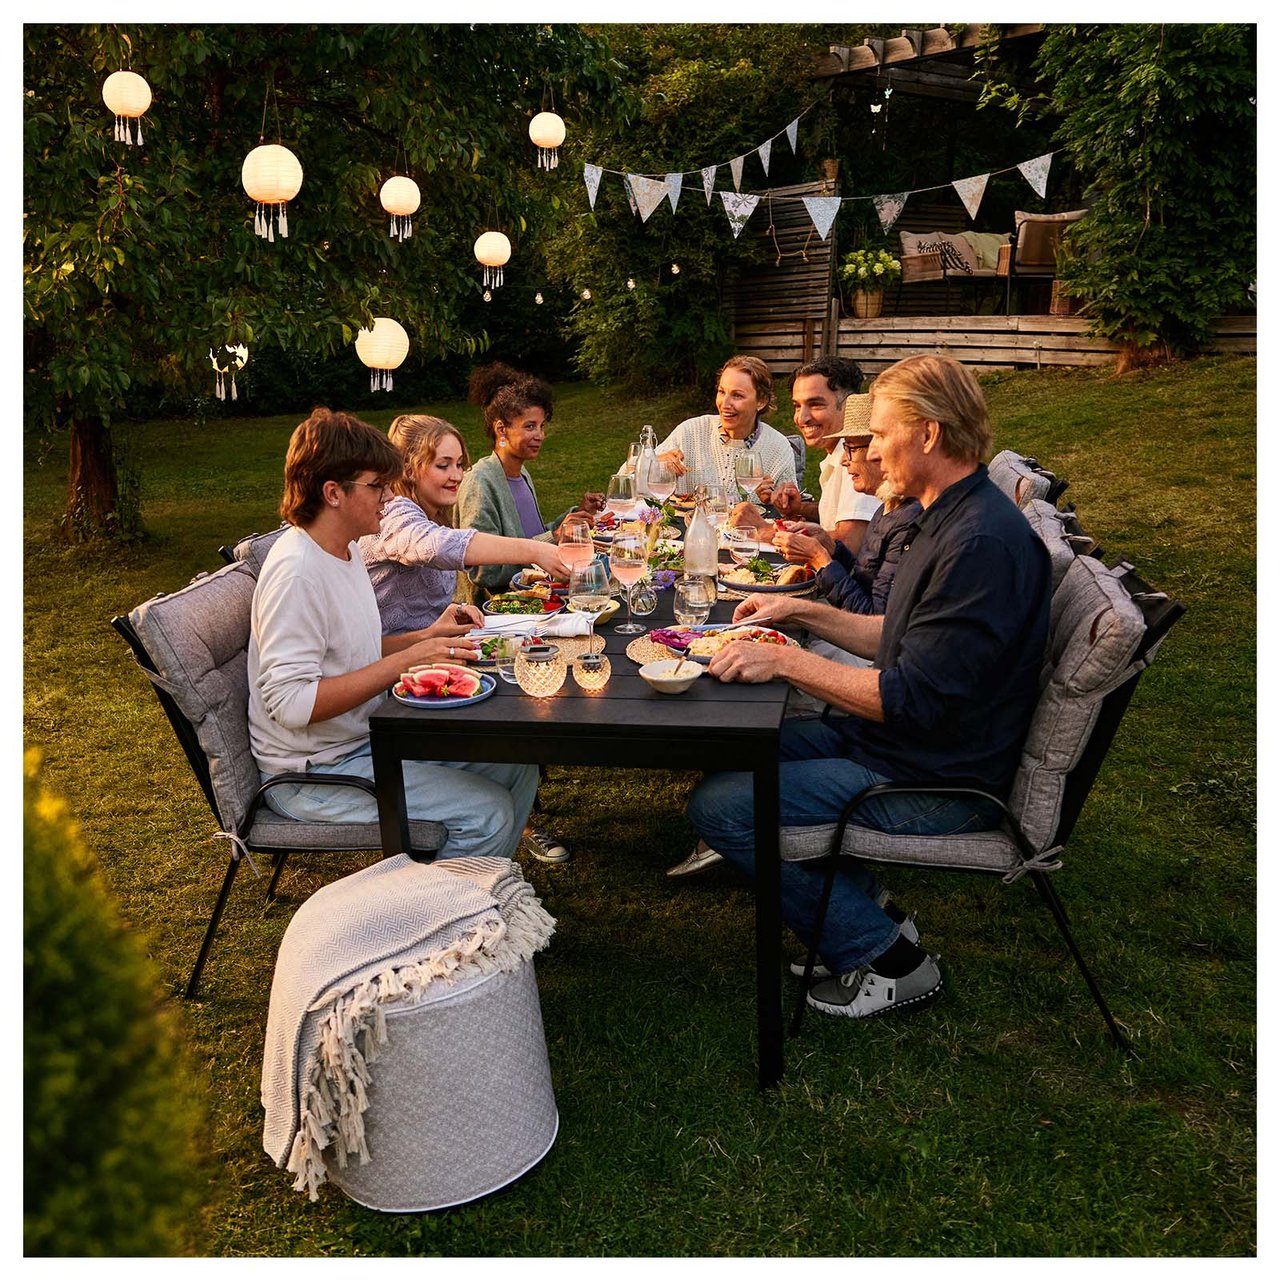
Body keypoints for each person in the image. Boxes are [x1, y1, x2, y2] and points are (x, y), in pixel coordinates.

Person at [683, 355, 1052, 1020]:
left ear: (929, 434)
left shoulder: (979, 544)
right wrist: (798, 612)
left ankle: (885, 957)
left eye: (880, 435)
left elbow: (907, 696)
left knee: (723, 806)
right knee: (738, 745)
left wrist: (786, 664)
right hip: (903, 742)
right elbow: (896, 637)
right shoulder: (943, 515)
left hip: (937, 778)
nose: (871, 450)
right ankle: (867, 909)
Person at [248, 407, 538, 860]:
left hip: (366, 737)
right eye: (378, 486)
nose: (389, 496)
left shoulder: (342, 552)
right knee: (487, 813)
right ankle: (448, 922)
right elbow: (291, 704)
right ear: (334, 493)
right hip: (318, 773)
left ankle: (482, 899)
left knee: (516, 766)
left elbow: (353, 651)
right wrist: (405, 661)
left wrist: (423, 638)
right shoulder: (297, 573)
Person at [358, 413, 575, 864]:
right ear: (410, 467)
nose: (456, 474)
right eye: (443, 465)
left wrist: (444, 618)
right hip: (390, 687)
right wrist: (536, 550)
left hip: (430, 656)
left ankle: (491, 864)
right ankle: (475, 864)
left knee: (527, 720)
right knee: (528, 704)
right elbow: (434, 547)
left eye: (460, 463)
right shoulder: (395, 512)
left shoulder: (420, 511)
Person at [456, 363, 602, 602]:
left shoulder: (521, 475)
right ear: (501, 429)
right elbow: (483, 571)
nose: (540, 436)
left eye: (542, 426)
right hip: (501, 612)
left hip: (539, 600)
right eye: (530, 427)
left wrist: (575, 515)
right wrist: (554, 536)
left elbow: (531, 535)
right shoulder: (480, 482)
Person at [772, 396, 921, 617]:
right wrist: (830, 546)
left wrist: (819, 560)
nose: (843, 460)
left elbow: (874, 621)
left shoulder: (908, 519)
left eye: (850, 448)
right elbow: (865, 578)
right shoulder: (888, 506)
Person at [728, 357, 878, 555]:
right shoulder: (838, 452)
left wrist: (763, 530)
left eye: (815, 405)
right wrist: (799, 509)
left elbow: (849, 544)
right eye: (797, 406)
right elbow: (841, 515)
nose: (802, 418)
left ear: (848, 406)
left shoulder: (858, 458)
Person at [654, 355, 797, 500]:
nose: (725, 404)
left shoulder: (779, 448)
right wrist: (656, 464)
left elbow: (791, 511)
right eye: (722, 392)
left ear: (761, 401)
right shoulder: (690, 431)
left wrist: (773, 502)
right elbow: (632, 476)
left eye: (737, 395)